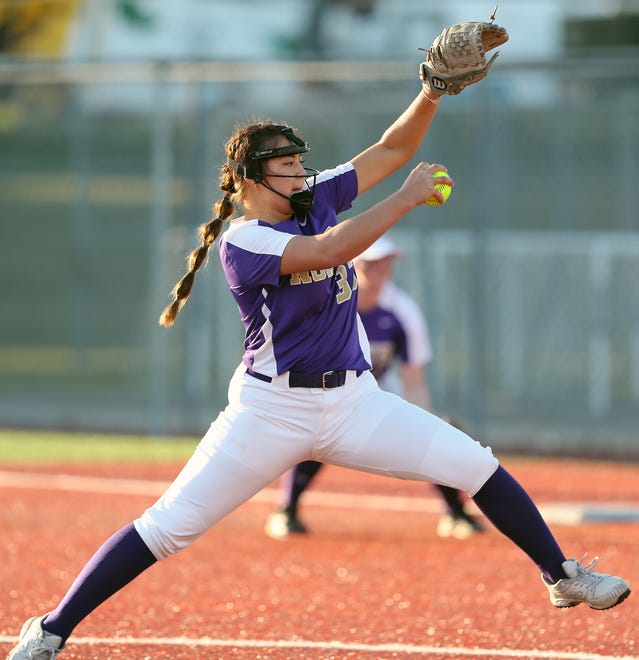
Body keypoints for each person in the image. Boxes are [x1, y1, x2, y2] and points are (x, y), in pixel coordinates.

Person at [8, 60, 630, 660]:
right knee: (170, 526)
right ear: (250, 180)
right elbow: (334, 247)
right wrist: (407, 199)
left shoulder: (310, 198)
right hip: (271, 409)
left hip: (353, 402)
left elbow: (388, 150)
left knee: (475, 464)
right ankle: (53, 629)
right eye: (286, 164)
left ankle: (560, 573)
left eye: (300, 160)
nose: (301, 172)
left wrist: (432, 93)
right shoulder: (245, 240)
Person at [264, 235, 485, 540]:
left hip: (379, 394)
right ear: (351, 264)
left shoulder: (402, 311)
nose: (380, 270)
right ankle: (285, 511)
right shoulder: (328, 303)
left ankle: (455, 515)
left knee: (442, 431)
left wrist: (425, 424)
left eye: (386, 264)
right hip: (331, 392)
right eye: (371, 263)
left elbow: (414, 379)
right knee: (313, 434)